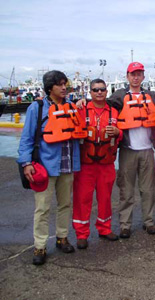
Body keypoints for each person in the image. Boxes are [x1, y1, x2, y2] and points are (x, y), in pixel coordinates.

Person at [18, 70, 81, 265]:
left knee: (65, 204)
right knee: (43, 208)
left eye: (65, 84)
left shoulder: (72, 106)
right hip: (45, 166)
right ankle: (40, 246)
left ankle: (62, 237)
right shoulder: (36, 108)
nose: (63, 88)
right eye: (59, 84)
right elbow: (27, 139)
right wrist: (26, 163)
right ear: (49, 88)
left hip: (68, 163)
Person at [109, 62, 155, 238]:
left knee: (148, 189)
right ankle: (125, 224)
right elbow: (103, 105)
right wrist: (81, 102)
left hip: (148, 150)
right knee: (126, 190)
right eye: (133, 74)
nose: (135, 77)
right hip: (128, 150)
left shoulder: (151, 95)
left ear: (143, 77)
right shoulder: (119, 96)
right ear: (127, 76)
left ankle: (149, 222)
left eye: (139, 74)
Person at [72, 79, 122, 249]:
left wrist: (117, 132)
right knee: (82, 199)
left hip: (106, 164)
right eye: (95, 90)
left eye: (102, 89)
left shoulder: (114, 111)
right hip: (85, 165)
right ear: (90, 92)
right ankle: (81, 234)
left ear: (106, 91)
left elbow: (121, 133)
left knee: (105, 198)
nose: (99, 92)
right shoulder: (80, 109)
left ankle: (105, 228)